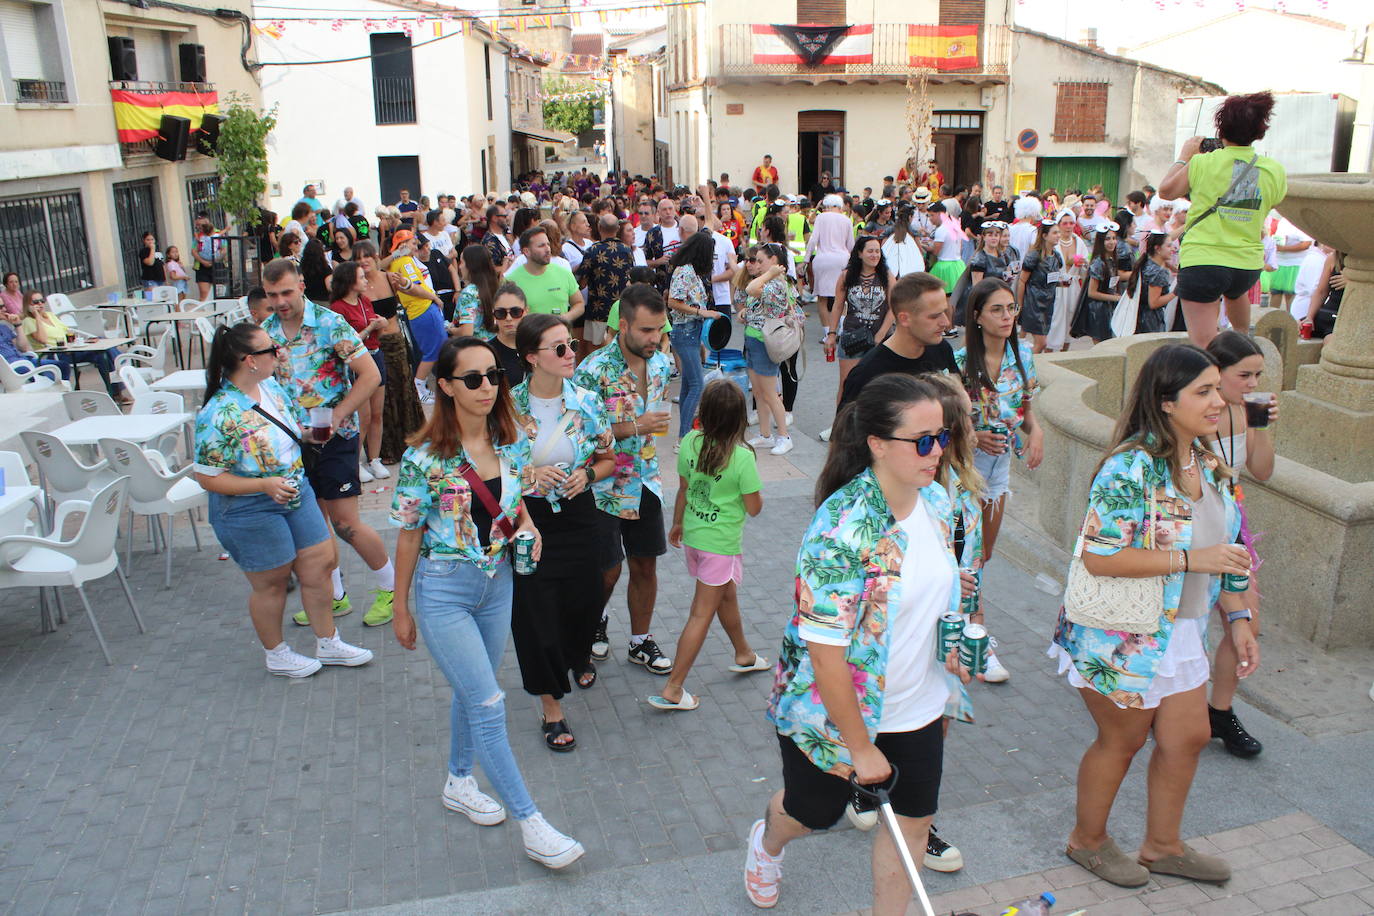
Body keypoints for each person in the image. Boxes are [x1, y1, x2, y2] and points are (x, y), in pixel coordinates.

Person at [746, 374, 973, 913]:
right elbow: (826, 657)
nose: (937, 451)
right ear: (876, 443)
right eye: (922, 441)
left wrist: (953, 647)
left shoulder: (938, 503)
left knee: (913, 824)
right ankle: (767, 841)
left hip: (917, 706)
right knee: (812, 814)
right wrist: (861, 746)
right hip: (836, 715)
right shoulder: (840, 528)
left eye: (941, 437)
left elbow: (944, 593)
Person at [1051, 343, 1258, 889]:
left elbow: (1233, 546)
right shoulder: (1131, 465)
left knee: (1187, 737)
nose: (1218, 401)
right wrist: (1192, 559)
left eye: (1218, 388)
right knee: (1122, 740)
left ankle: (1162, 846)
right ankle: (1086, 841)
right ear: (1167, 402)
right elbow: (1099, 555)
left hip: (1180, 630)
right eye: (1204, 392)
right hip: (1122, 634)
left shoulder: (1210, 462)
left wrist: (1238, 618)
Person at [389, 336, 585, 870]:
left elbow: (513, 503)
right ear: (447, 386)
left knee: (469, 692)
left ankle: (458, 780)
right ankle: (532, 823)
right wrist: (401, 607)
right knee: (488, 703)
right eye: (472, 378)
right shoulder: (423, 459)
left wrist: (526, 527)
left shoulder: (513, 442)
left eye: (493, 376)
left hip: (497, 584)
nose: (486, 387)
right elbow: (408, 535)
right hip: (445, 589)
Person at [193, 322, 373, 678]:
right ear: (249, 361)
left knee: (319, 566)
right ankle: (276, 653)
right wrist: (262, 485)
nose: (279, 352)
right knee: (271, 583)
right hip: (249, 506)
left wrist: (307, 434)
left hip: (294, 489)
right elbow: (207, 477)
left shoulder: (271, 387)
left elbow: (284, 430)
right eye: (269, 349)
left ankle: (328, 641)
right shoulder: (218, 413)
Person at [258, 260, 394, 630]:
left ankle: (391, 589)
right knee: (315, 528)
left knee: (347, 524)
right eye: (272, 295)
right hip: (294, 444)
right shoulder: (265, 333)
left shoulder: (329, 323)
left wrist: (338, 415)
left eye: (286, 292)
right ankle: (335, 596)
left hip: (336, 439)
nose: (280, 301)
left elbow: (371, 375)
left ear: (302, 285)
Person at [508, 314, 615, 750]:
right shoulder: (507, 406)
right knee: (536, 616)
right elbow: (492, 469)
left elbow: (610, 458)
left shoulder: (587, 400)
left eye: (570, 344)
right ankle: (551, 707)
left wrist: (587, 475)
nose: (572, 353)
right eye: (560, 348)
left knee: (585, 603)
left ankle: (577, 652)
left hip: (580, 514)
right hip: (529, 518)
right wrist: (531, 475)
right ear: (533, 358)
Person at [573, 283, 676, 675]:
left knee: (645, 566)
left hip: (646, 481)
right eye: (647, 331)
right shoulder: (593, 370)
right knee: (606, 571)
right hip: (602, 487)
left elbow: (658, 423)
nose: (655, 338)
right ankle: (591, 625)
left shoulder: (663, 365)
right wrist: (634, 426)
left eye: (660, 330)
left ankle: (640, 641)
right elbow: (579, 434)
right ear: (624, 325)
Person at [652, 378, 768, 711]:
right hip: (720, 545)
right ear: (740, 418)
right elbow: (754, 508)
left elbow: (685, 489)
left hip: (694, 538)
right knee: (700, 614)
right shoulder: (743, 457)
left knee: (725, 594)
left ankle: (744, 653)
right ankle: (674, 687)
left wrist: (676, 523)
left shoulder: (689, 441)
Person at [955, 278, 1043, 681]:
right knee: (969, 555)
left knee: (983, 554)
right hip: (961, 471)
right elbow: (943, 423)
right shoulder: (957, 363)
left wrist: (1036, 432)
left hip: (1000, 469)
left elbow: (1026, 412)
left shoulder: (1022, 354)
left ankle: (962, 624)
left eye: (1011, 308)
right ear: (977, 316)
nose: (1007, 317)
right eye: (997, 309)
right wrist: (973, 436)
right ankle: (977, 638)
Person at [1157, 91, 1286, 346]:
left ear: (1220, 128)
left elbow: (1166, 190)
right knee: (1240, 336)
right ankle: (1242, 355)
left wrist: (1185, 156)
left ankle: (1214, 383)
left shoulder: (1202, 163)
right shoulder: (1274, 170)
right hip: (1246, 264)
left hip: (1204, 259)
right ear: (1259, 131)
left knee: (1204, 345)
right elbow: (1273, 201)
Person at [1203, 331, 1276, 758]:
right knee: (1179, 620)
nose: (1252, 384)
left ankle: (1220, 710)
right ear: (1216, 373)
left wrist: (1261, 426)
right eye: (1243, 375)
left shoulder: (1247, 412)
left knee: (1246, 620)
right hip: (1188, 526)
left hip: (1232, 525)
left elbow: (1262, 471)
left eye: (1257, 376)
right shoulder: (1197, 411)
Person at [839, 273, 957, 407]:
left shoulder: (941, 349)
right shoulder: (867, 374)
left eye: (944, 312)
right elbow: (847, 426)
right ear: (904, 319)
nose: (946, 322)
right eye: (935, 316)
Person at [327, 261, 390, 482]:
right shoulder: (338, 308)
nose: (366, 281)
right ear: (350, 282)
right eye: (361, 277)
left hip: (376, 354)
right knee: (362, 416)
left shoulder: (365, 301)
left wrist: (379, 326)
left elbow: (374, 333)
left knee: (376, 414)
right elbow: (348, 343)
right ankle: (355, 462)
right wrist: (370, 328)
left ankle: (375, 458)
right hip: (356, 362)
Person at [738, 243, 801, 455]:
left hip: (765, 341)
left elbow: (750, 289)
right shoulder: (769, 281)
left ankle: (784, 435)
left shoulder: (776, 283)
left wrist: (771, 273)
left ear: (774, 261)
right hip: (754, 339)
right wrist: (746, 312)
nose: (757, 264)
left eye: (761, 261)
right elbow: (754, 300)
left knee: (770, 393)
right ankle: (765, 435)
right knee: (759, 391)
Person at [665, 231, 724, 440]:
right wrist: (702, 312)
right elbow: (673, 301)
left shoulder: (689, 271)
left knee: (689, 385)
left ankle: (684, 435)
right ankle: (684, 437)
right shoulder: (685, 271)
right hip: (686, 331)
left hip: (691, 332)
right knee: (697, 385)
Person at [825, 235, 894, 392]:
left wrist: (880, 335)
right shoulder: (846, 275)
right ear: (859, 254)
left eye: (878, 251)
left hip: (880, 338)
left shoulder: (887, 276)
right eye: (870, 251)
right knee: (848, 383)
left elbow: (894, 308)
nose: (875, 255)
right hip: (852, 336)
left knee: (877, 385)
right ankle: (842, 415)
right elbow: (837, 306)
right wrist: (831, 334)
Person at [388, 231, 446, 403]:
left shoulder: (397, 262)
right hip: (423, 309)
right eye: (413, 243)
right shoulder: (405, 262)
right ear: (403, 245)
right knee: (433, 350)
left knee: (435, 348)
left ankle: (422, 386)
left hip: (419, 310)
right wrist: (434, 298)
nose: (416, 246)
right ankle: (419, 387)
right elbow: (413, 287)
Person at [576, 213, 635, 355]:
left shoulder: (592, 250)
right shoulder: (627, 250)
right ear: (617, 229)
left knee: (595, 350)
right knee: (622, 349)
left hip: (598, 310)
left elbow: (582, 283)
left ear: (599, 227)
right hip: (621, 310)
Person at [506, 226, 584, 325]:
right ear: (526, 251)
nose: (547, 249)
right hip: (530, 338)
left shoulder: (563, 273)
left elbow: (579, 304)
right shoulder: (511, 281)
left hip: (561, 338)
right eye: (541, 246)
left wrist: (564, 318)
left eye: (548, 244)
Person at [805, 195, 855, 333]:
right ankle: (841, 329)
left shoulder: (821, 218)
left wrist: (806, 259)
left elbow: (813, 240)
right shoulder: (846, 220)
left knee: (822, 298)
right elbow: (851, 244)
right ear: (839, 206)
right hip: (842, 259)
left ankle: (828, 333)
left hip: (823, 260)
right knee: (842, 296)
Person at [479, 282, 529, 384]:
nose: (508, 318)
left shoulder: (538, 347)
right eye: (501, 313)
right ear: (494, 314)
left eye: (516, 312)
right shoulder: (486, 352)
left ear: (526, 311)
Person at [454, 243, 501, 338]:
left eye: (462, 262)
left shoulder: (469, 294)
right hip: (493, 344)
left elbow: (466, 332)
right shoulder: (495, 287)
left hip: (474, 347)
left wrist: (448, 328)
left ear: (471, 266)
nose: (459, 266)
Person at [0, 307, 64, 377]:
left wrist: (18, 325)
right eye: (0, 307)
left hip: (24, 360)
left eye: (3, 306)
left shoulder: (3, 327)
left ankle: (62, 387)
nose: (4, 309)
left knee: (62, 366)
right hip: (10, 367)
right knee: (48, 375)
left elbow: (23, 348)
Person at [642, 196, 682, 292]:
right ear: (658, 213)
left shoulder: (684, 226)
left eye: (670, 209)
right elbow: (645, 261)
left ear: (675, 210)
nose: (668, 212)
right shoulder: (652, 234)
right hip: (663, 284)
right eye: (664, 210)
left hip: (685, 280)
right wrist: (658, 262)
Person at [192, 215, 220, 300]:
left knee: (219, 292)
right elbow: (193, 251)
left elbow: (224, 249)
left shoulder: (218, 234)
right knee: (204, 293)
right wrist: (203, 261)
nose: (198, 227)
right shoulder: (198, 236)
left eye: (201, 225)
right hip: (201, 266)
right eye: (197, 225)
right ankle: (204, 311)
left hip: (217, 265)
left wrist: (215, 260)